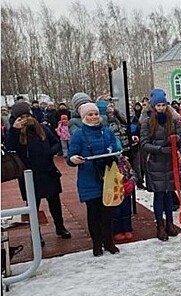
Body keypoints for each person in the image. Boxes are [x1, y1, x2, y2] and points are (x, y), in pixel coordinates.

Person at [7, 101, 71, 245]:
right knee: (33, 206)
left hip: (47, 171)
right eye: (21, 117)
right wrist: (15, 130)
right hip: (29, 174)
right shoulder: (14, 133)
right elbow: (10, 148)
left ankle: (60, 227)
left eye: (27, 116)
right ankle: (36, 233)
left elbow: (56, 142)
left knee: (55, 202)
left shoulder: (41, 128)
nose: (25, 119)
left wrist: (50, 152)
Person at [67, 102, 121, 256]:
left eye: (96, 114)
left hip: (107, 176)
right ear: (84, 116)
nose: (94, 117)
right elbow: (71, 155)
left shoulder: (106, 131)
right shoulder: (78, 134)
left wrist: (112, 151)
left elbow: (114, 145)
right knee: (93, 213)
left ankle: (109, 242)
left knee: (107, 212)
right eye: (90, 114)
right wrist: (74, 159)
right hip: (89, 178)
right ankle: (97, 243)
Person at [141, 89, 181, 241]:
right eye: (158, 105)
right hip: (156, 162)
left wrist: (175, 138)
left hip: (170, 161)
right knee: (159, 194)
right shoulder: (147, 122)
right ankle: (160, 225)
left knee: (169, 193)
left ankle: (170, 223)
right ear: (153, 106)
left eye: (163, 105)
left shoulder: (172, 119)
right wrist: (160, 149)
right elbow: (144, 143)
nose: (161, 108)